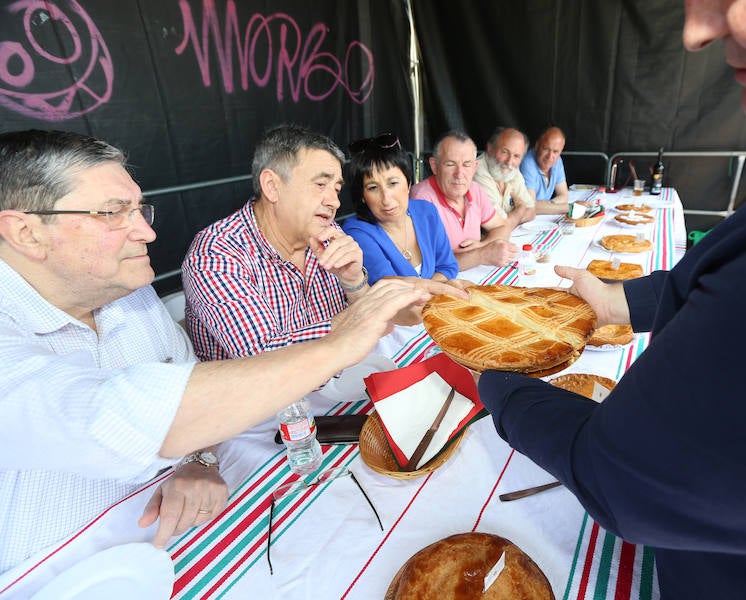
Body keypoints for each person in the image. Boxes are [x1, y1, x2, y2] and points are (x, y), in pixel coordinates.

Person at [478, 1, 746, 598]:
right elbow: (710, 273)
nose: (697, 32)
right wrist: (615, 301)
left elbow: (620, 478)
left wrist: (497, 381)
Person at [0, 128, 450, 576]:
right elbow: (119, 411)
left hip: (188, 511)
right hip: (47, 571)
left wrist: (199, 458)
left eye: (140, 209)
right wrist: (344, 336)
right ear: (26, 232)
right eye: (115, 212)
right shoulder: (215, 252)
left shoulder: (127, 294)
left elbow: (187, 374)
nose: (148, 232)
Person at [182, 126, 459, 361]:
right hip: (261, 413)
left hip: (333, 381)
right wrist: (368, 308)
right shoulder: (216, 254)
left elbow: (380, 327)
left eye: (337, 189)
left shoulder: (329, 234)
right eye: (321, 185)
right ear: (272, 186)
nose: (335, 201)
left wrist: (355, 283)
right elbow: (264, 358)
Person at [341, 133, 459, 284]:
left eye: (393, 183)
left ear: (408, 183)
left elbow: (448, 266)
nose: (386, 198)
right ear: (362, 195)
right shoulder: (356, 232)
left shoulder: (427, 212)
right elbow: (391, 287)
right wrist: (435, 288)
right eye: (373, 187)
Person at [409, 131, 519, 271]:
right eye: (450, 164)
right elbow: (431, 265)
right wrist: (482, 254)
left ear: (475, 167)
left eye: (467, 164)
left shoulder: (474, 189)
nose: (459, 174)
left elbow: (501, 227)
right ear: (434, 166)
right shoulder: (421, 200)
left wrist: (483, 245)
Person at [472, 127, 536, 227]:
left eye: (516, 156)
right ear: (490, 149)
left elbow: (531, 210)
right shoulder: (477, 171)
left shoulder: (512, 170)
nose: (509, 162)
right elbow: (498, 223)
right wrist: (520, 210)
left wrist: (511, 220)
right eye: (505, 152)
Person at [519, 126, 569, 214]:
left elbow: (564, 195)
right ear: (537, 146)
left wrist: (547, 205)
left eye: (555, 151)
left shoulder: (558, 161)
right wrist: (568, 207)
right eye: (546, 149)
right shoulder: (527, 163)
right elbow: (530, 206)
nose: (550, 156)